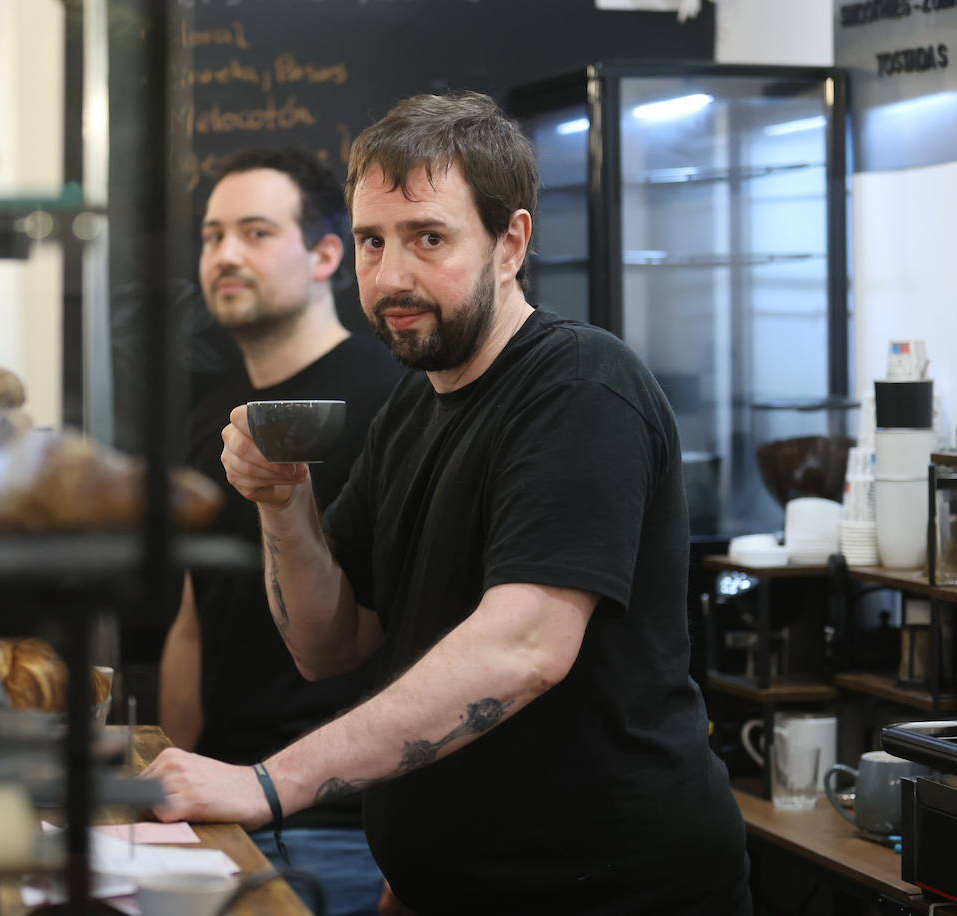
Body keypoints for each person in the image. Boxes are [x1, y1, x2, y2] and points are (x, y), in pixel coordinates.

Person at [144, 92, 751, 914]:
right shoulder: (413, 410)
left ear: (511, 242)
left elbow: (525, 646)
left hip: (606, 893)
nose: (393, 276)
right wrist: (282, 504)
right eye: (372, 241)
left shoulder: (580, 385)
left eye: (429, 238)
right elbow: (329, 645)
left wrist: (269, 783)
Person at [160, 148, 402, 915]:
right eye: (212, 235)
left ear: (328, 253)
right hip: (222, 802)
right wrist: (169, 768)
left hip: (344, 825)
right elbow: (195, 619)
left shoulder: (392, 399)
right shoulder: (214, 413)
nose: (226, 254)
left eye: (256, 232)